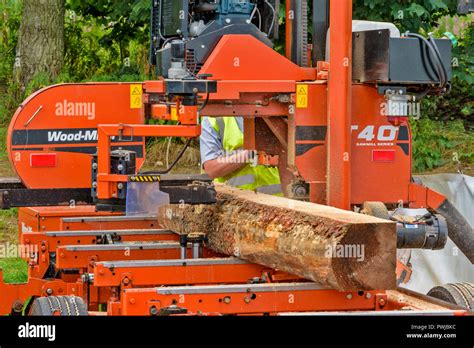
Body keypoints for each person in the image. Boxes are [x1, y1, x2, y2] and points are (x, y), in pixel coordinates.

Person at [200, 116, 283, 196]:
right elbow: (212, 169)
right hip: (234, 203)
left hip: (276, 201)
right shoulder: (213, 119)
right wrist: (251, 153)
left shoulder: (272, 113)